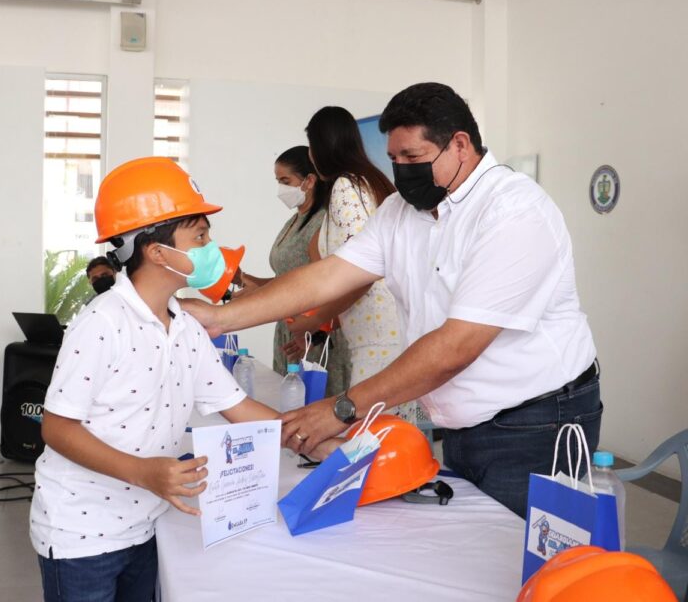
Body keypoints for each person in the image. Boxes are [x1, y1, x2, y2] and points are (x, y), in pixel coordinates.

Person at [182, 83, 602, 518]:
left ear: (460, 145)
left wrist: (343, 408)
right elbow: (327, 278)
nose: (401, 170)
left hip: (536, 422)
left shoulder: (514, 212)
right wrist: (221, 318)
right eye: (395, 158)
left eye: (413, 158)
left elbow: (455, 347)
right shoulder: (401, 212)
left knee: (525, 561)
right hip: (464, 423)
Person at [29, 157, 336, 601]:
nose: (212, 246)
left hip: (147, 523)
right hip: (82, 531)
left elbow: (241, 407)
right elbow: (56, 427)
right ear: (157, 252)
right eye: (200, 236)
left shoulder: (186, 325)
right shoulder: (102, 324)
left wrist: (315, 440)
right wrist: (145, 473)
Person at [303, 106, 414, 423]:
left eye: (312, 147)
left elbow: (360, 272)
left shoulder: (345, 186)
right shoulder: (371, 183)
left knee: (372, 441)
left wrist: (315, 320)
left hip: (377, 338)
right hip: (379, 331)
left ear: (323, 147)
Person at [236, 146, 351, 396]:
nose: (281, 189)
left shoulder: (322, 224)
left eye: (286, 181)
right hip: (290, 330)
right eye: (278, 181)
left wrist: (316, 334)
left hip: (316, 337)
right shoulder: (295, 221)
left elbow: (329, 287)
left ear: (309, 181)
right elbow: (285, 280)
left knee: (312, 410)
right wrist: (245, 279)